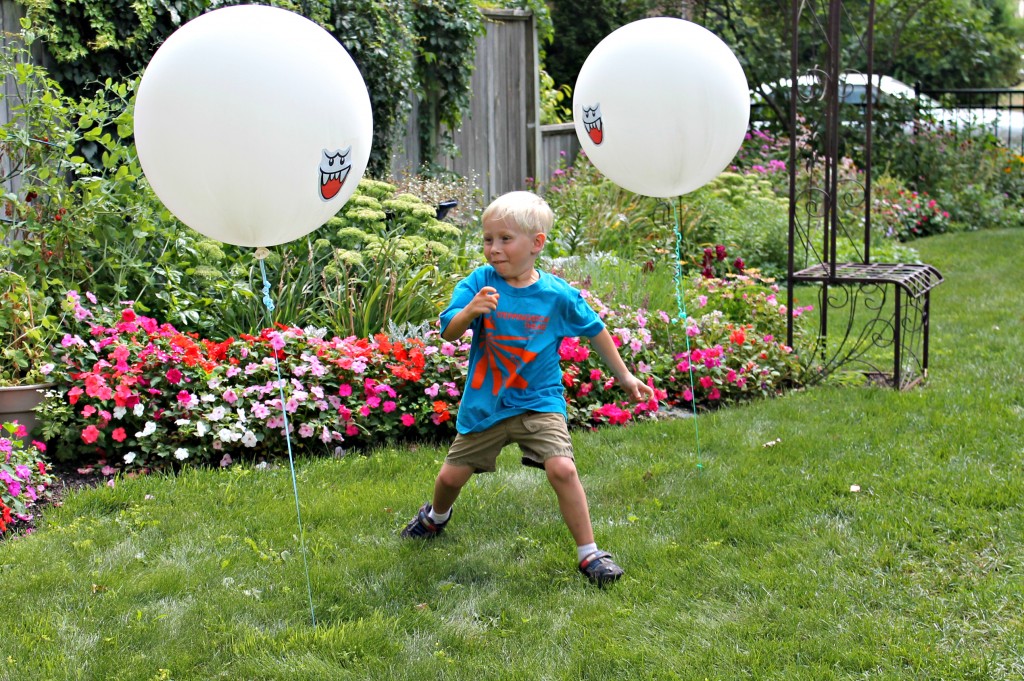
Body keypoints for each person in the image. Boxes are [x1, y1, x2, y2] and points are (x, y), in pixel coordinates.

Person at [400, 190, 656, 586]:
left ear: (536, 244)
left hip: (540, 401)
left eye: (505, 239)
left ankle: (590, 555)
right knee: (450, 479)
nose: (493, 248)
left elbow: (596, 329)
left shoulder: (556, 295)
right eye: (488, 239)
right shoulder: (479, 283)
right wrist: (469, 312)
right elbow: (449, 331)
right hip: (487, 404)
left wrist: (624, 376)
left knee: (562, 468)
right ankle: (435, 517)